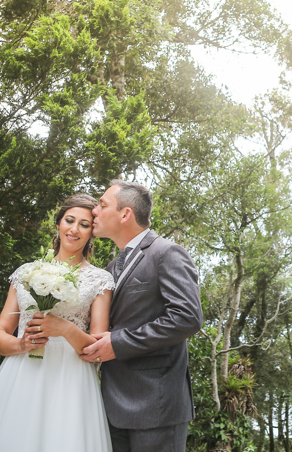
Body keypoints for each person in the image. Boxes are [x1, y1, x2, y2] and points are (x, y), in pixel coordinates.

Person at [0, 194, 115, 451]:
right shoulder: (26, 273)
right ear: (58, 224)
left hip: (70, 379)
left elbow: (97, 350)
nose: (74, 229)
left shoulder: (100, 280)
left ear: (92, 232)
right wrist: (22, 344)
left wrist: (65, 329)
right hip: (21, 375)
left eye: (84, 224)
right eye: (69, 220)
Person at [80, 179, 203, 452]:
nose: (94, 212)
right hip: (111, 404)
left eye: (102, 205)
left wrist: (118, 343)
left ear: (125, 214)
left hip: (156, 405)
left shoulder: (167, 253)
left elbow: (187, 317)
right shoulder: (112, 266)